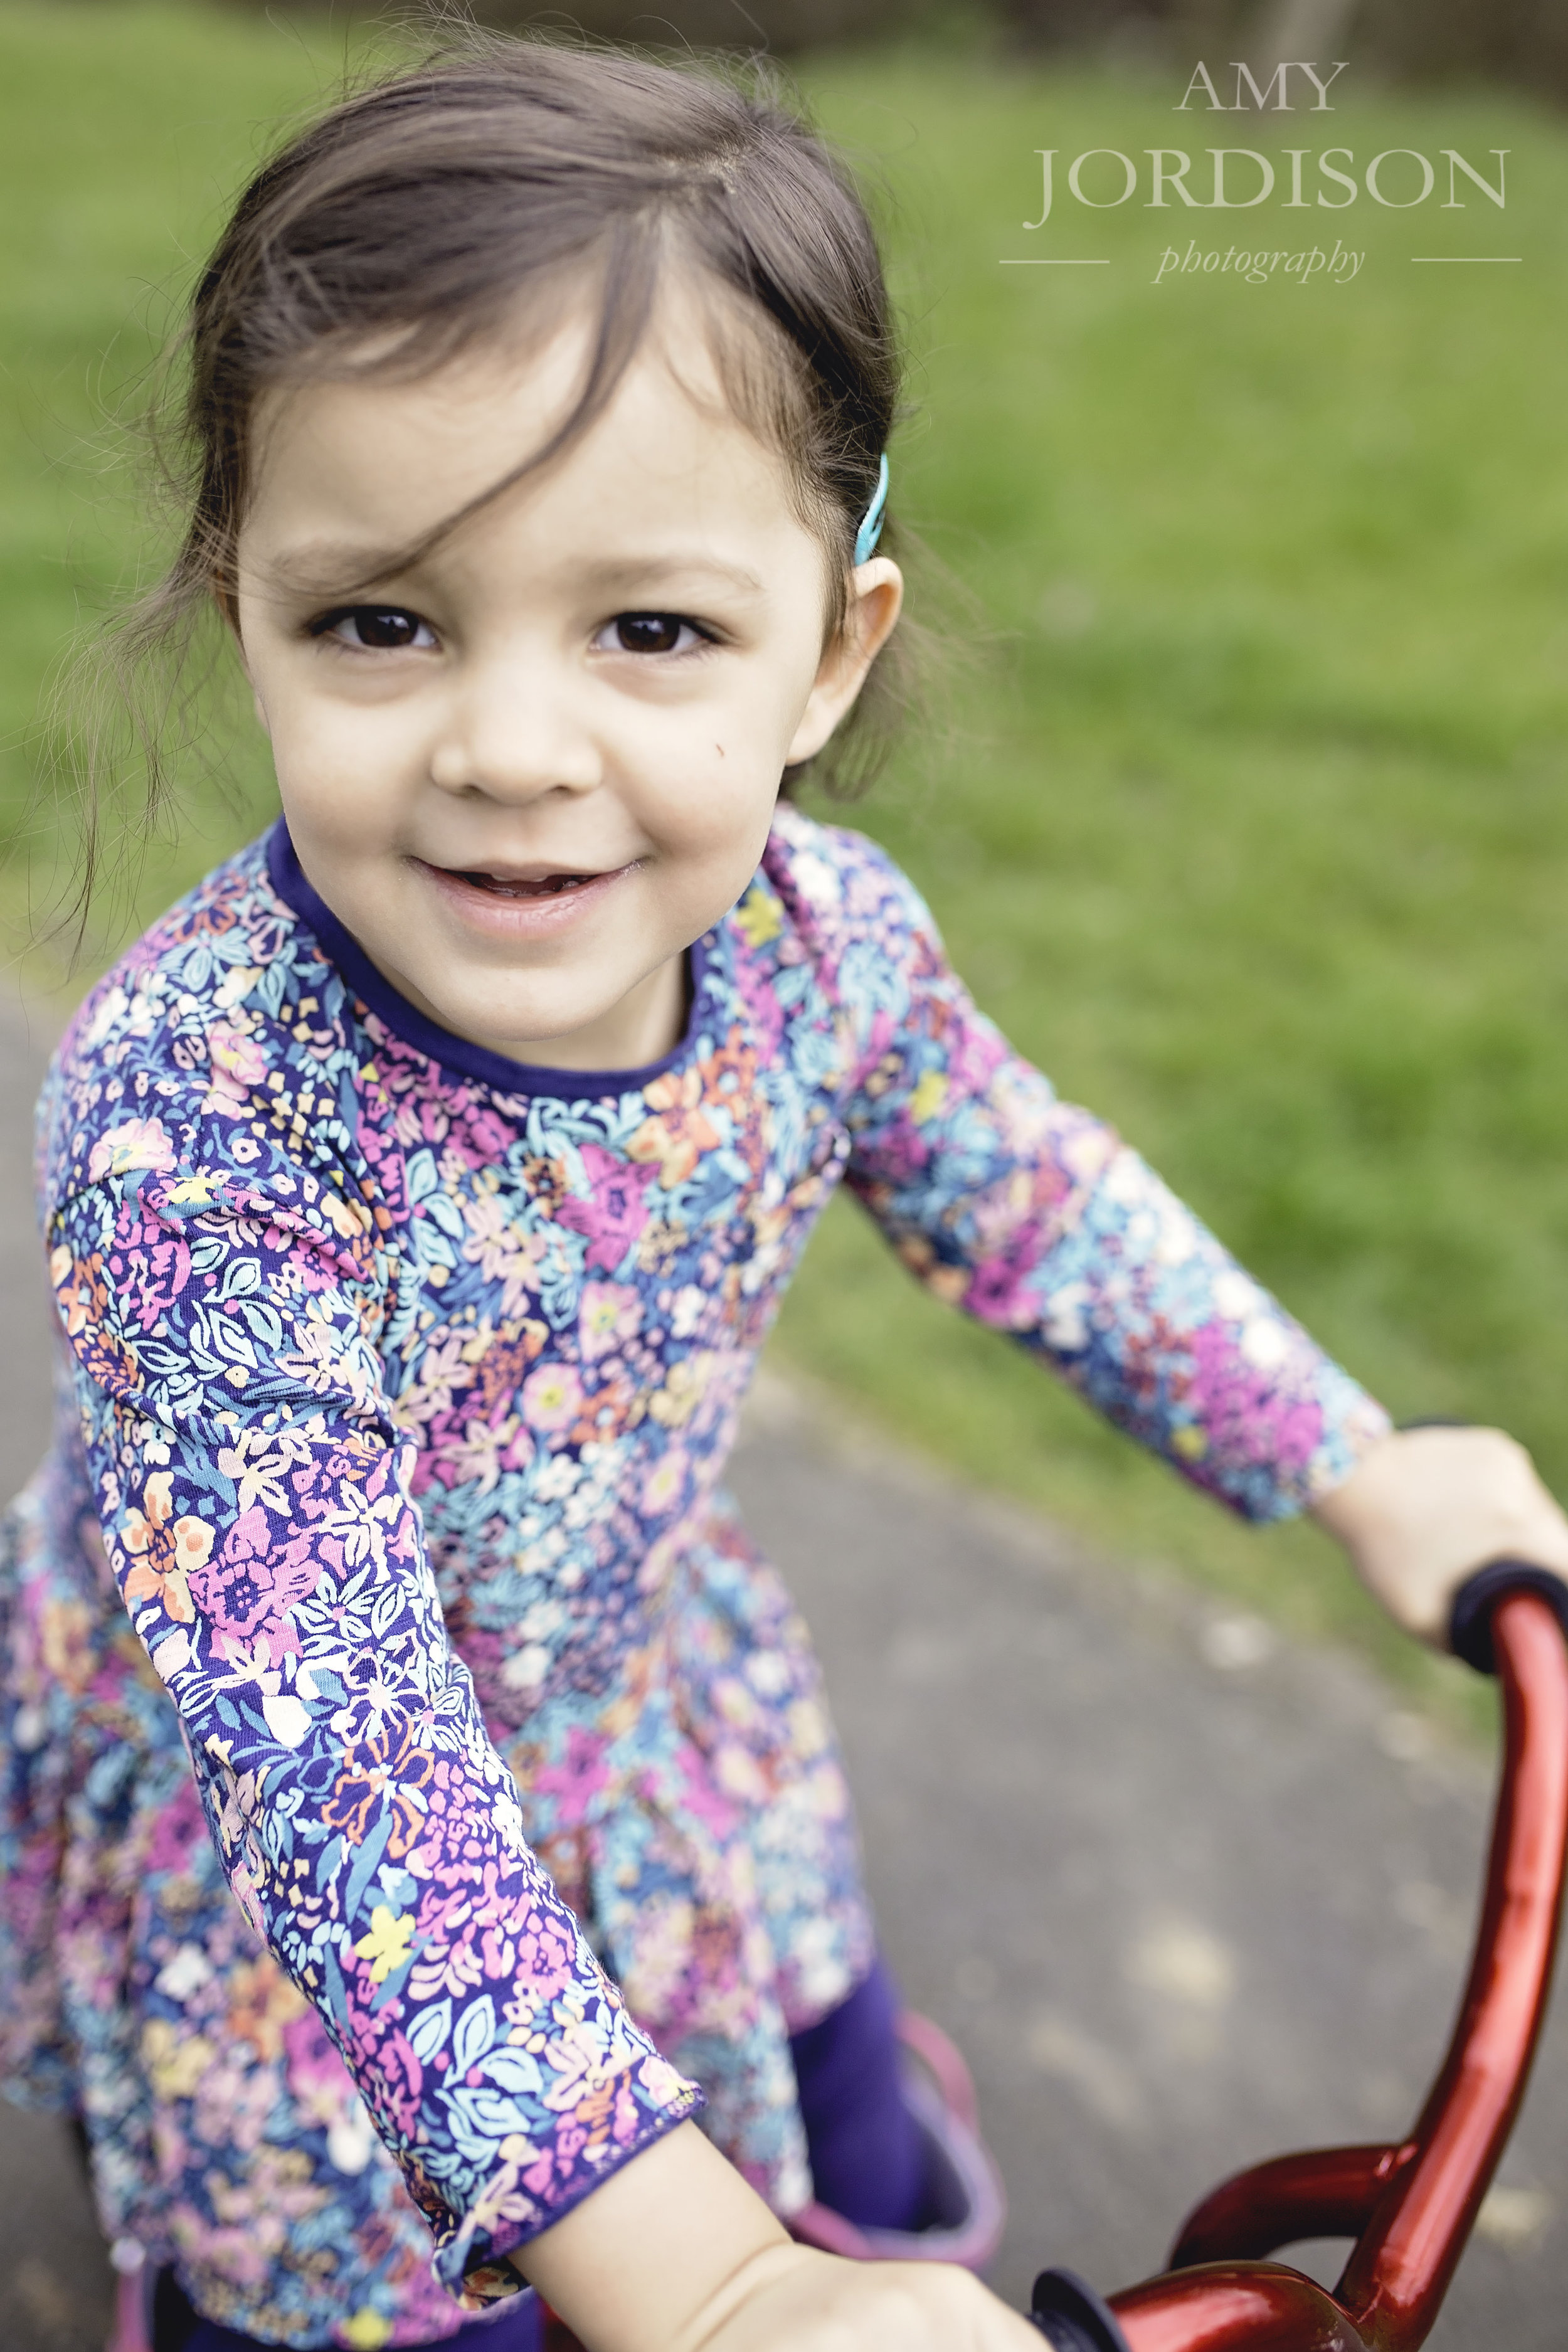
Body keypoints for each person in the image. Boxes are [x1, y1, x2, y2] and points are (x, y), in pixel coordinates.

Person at [2, 33, 1565, 2352]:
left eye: (649, 631)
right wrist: (695, 2269)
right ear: (242, 601)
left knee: (818, 2087)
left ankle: (825, 2207)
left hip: (648, 1707)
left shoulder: (822, 947)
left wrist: (1344, 1451)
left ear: (829, 652)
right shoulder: (193, 1112)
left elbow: (1037, 1203)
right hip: (320, 1888)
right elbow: (329, 1726)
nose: (514, 747)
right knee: (371, 2291)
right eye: (382, 621)